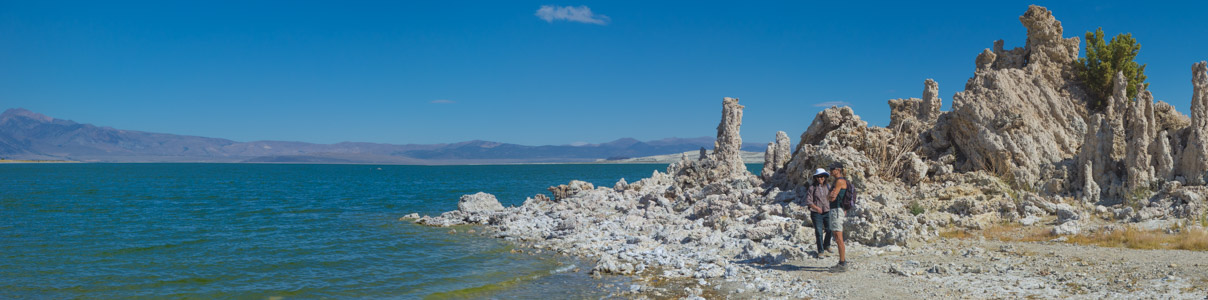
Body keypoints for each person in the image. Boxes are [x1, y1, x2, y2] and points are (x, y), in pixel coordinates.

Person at [804, 168, 832, 259]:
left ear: (825, 177)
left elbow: (832, 197)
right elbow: (808, 201)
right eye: (818, 177)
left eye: (822, 176)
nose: (820, 178)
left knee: (830, 229)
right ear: (815, 178)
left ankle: (827, 245)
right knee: (819, 232)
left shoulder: (828, 186)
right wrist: (816, 208)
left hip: (827, 211)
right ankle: (820, 251)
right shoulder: (812, 188)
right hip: (816, 213)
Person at [827, 164, 850, 272]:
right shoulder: (837, 181)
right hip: (835, 210)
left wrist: (830, 195)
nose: (830, 171)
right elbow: (830, 196)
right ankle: (842, 262)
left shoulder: (839, 181)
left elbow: (831, 197)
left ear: (838, 169)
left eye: (832, 169)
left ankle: (842, 263)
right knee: (837, 236)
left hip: (836, 210)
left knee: (838, 237)